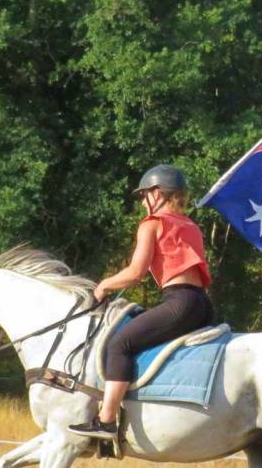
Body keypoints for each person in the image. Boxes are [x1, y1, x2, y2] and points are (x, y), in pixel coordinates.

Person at [68, 165, 215, 441]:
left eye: (144, 195)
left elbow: (135, 273)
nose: (142, 202)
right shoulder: (191, 225)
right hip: (201, 304)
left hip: (179, 300)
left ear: (157, 193)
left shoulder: (152, 224)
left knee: (119, 345)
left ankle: (107, 420)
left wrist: (103, 286)